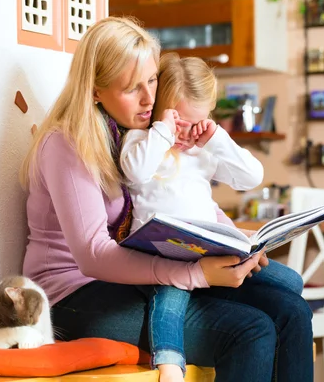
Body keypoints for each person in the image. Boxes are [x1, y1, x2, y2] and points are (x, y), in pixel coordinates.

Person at [19, 16, 313, 382]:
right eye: (131, 88)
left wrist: (237, 240)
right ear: (95, 90)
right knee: (250, 329)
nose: (148, 99)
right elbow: (93, 255)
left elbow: (173, 196)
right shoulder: (68, 145)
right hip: (72, 297)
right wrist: (194, 274)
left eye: (152, 80)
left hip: (130, 278)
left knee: (291, 311)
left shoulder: (133, 130)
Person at [115, 53, 268, 380]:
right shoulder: (143, 142)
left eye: (196, 123)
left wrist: (216, 138)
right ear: (162, 113)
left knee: (288, 281)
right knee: (170, 295)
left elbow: (251, 177)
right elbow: (136, 171)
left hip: (205, 249)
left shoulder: (204, 150)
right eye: (179, 121)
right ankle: (170, 364)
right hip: (161, 252)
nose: (186, 134)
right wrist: (163, 132)